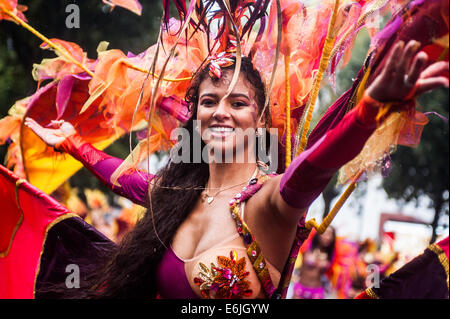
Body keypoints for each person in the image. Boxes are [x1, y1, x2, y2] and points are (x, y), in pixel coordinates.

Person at [24, 39, 448, 298]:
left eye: (238, 102)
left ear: (260, 120)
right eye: (209, 102)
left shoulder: (268, 203)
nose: (221, 112)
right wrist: (74, 144)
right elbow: (124, 177)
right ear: (196, 117)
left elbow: (315, 167)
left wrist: (367, 112)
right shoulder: (174, 196)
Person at [292, 227, 336, 299]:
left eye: (330, 234)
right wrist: (294, 275)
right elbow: (298, 265)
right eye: (325, 233)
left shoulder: (331, 255)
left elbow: (330, 275)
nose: (327, 237)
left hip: (317, 293)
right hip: (300, 290)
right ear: (318, 233)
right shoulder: (307, 247)